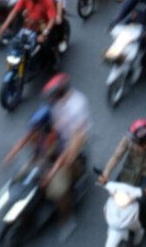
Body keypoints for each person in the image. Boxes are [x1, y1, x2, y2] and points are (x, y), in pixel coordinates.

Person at [40, 74, 91, 229]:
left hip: (74, 146)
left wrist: (60, 165)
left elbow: (77, 137)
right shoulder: (57, 104)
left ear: (59, 93)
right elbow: (55, 124)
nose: (50, 99)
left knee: (59, 190)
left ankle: (66, 218)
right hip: (60, 140)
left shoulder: (77, 105)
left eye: (52, 95)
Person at [98, 119, 146, 232]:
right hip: (129, 171)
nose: (132, 142)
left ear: (143, 141)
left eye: (135, 141)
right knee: (114, 193)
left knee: (143, 202)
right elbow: (116, 156)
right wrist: (105, 173)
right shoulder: (128, 138)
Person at [0, 0, 57, 65]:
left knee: (45, 44)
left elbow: (52, 19)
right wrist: (5, 25)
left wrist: (44, 34)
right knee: (16, 39)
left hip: (43, 25)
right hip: (28, 23)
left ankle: (53, 62)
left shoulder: (48, 0)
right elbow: (15, 11)